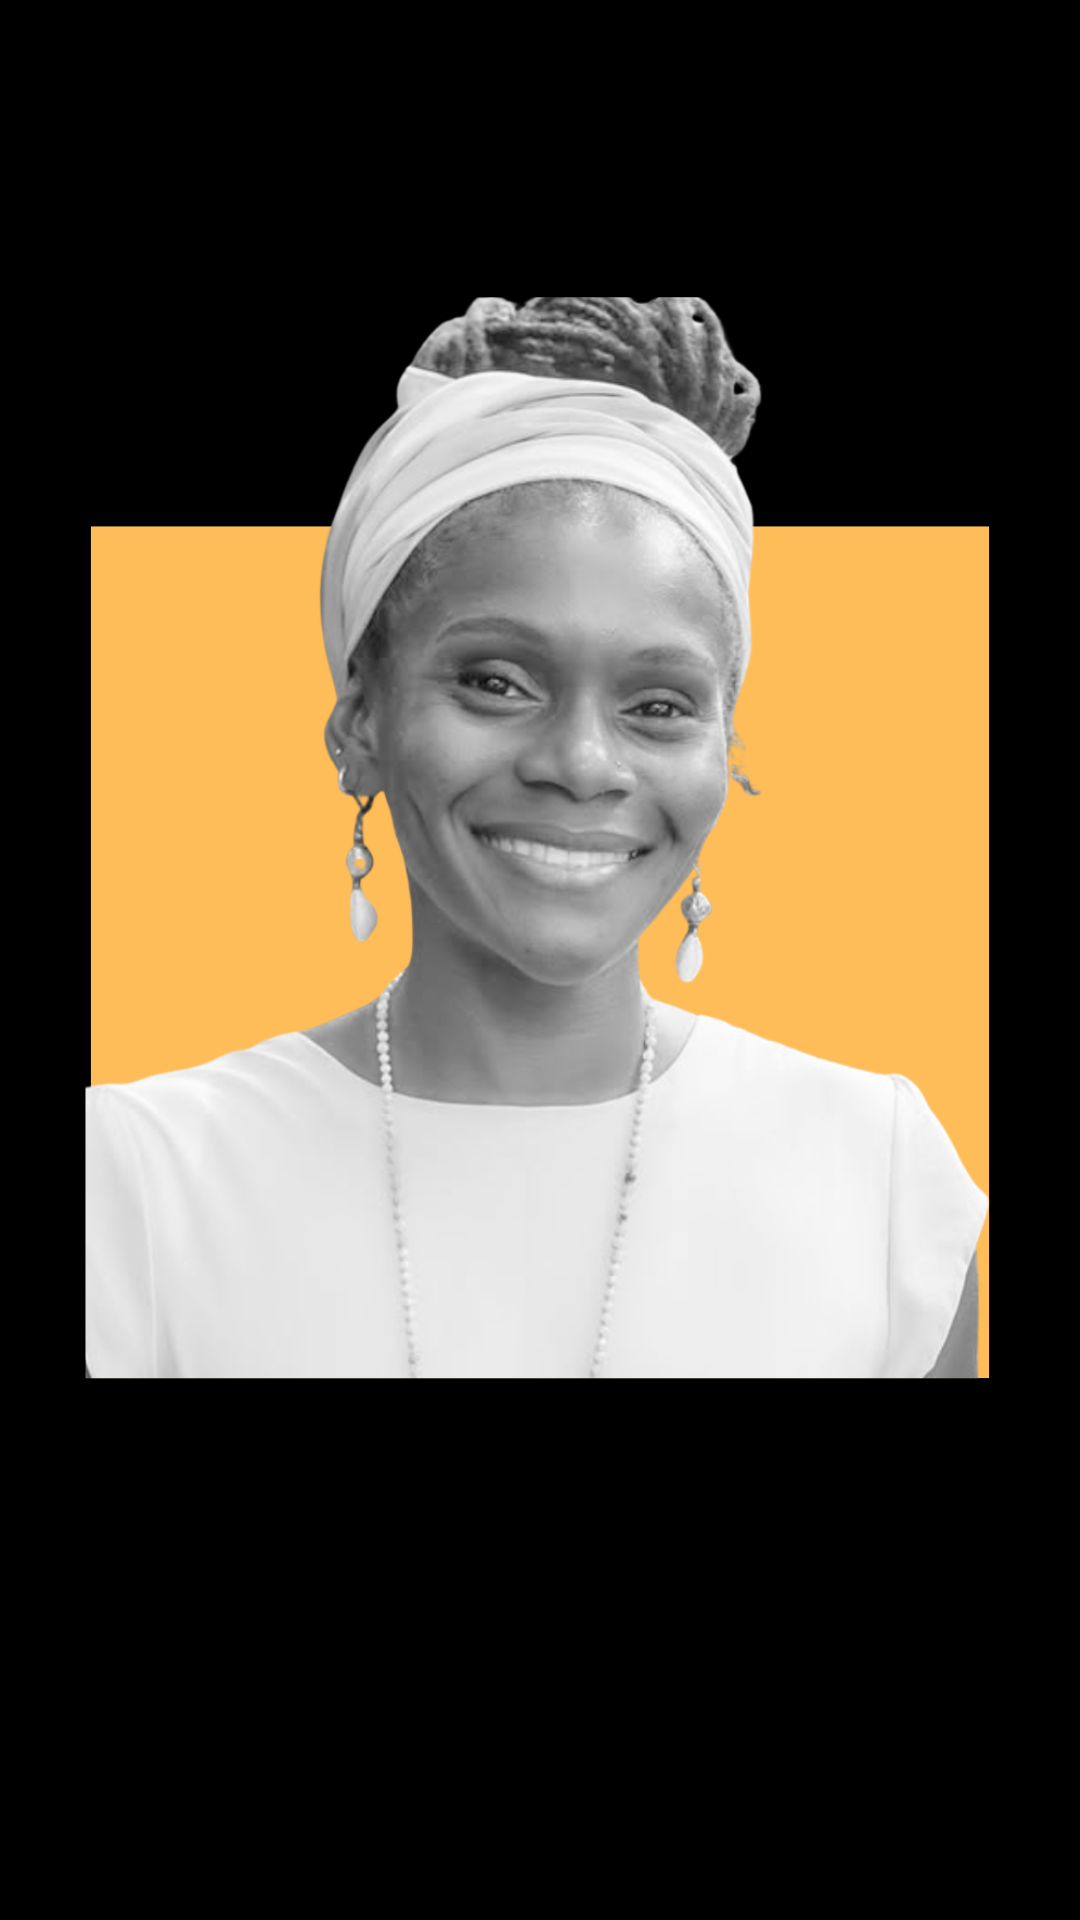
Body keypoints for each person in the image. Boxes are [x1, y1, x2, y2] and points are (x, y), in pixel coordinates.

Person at [86, 296, 987, 1379]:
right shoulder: (139, 1183)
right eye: (496, 682)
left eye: (659, 704)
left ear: (724, 749)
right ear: (361, 721)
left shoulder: (884, 1183)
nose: (584, 762)